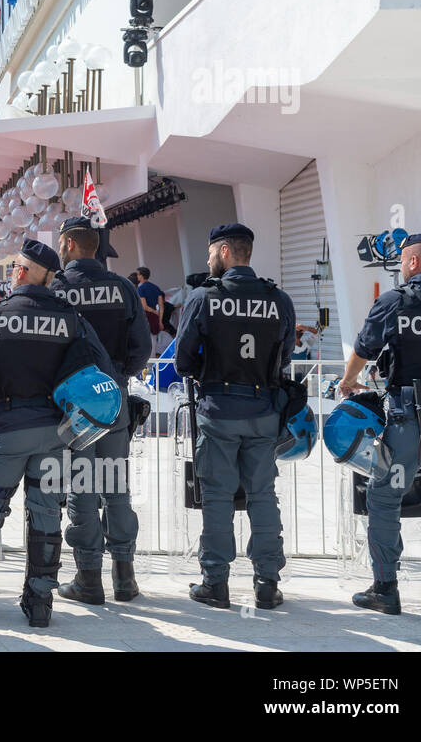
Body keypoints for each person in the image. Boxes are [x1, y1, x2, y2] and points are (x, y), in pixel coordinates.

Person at [0, 239, 114, 627]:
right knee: (47, 514)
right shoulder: (72, 318)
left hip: (9, 428)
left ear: (20, 271)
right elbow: (101, 372)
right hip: (55, 432)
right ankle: (39, 605)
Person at [174, 223, 295, 611]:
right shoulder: (278, 299)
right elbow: (286, 357)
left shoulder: (205, 297)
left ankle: (216, 581)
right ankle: (267, 581)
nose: (208, 260)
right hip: (263, 411)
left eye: (211, 253)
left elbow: (182, 360)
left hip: (218, 411)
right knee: (263, 494)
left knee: (217, 496)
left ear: (225, 252)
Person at [337, 232, 421, 626]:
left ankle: (385, 589)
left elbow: (364, 348)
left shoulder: (395, 301)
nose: (401, 267)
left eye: (402, 260)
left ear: (414, 262)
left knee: (385, 500)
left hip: (405, 422)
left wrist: (348, 381)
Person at [51, 217, 153, 604]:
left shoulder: (58, 288)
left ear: (69, 244)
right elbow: (142, 347)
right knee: (116, 486)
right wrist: (117, 378)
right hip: (114, 402)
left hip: (73, 407)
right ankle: (125, 579)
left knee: (82, 485)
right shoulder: (124, 287)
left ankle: (88, 579)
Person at [135, 266, 165, 356]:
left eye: (138, 274)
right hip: (155, 317)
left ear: (141, 275)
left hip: (146, 317)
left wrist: (153, 311)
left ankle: (149, 365)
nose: (137, 276)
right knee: (154, 341)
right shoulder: (156, 288)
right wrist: (160, 320)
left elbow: (144, 306)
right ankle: (153, 363)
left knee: (146, 341)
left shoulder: (141, 288)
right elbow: (161, 306)